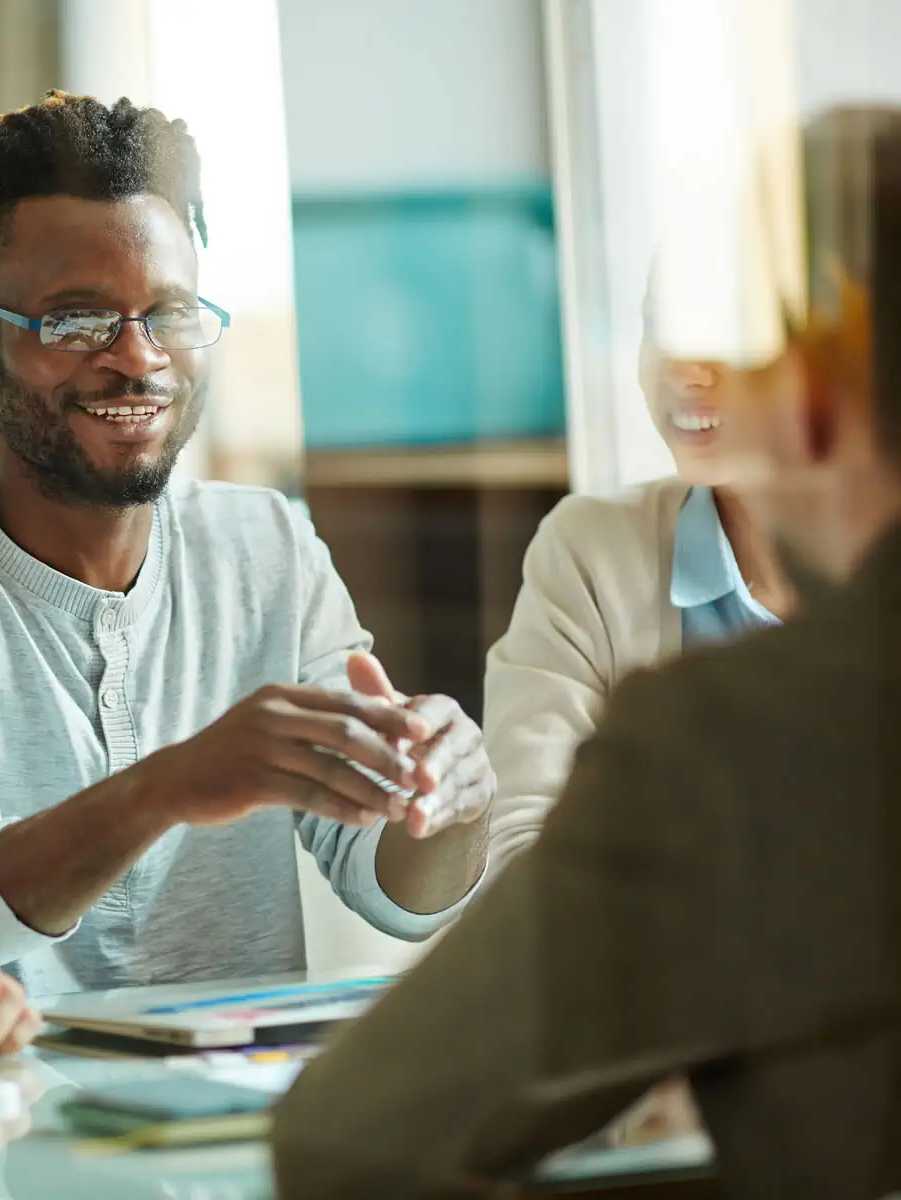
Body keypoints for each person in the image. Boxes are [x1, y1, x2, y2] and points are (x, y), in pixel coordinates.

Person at [272, 106, 901, 1197]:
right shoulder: (604, 556)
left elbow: (351, 1138)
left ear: (806, 392)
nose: (695, 375)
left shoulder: (729, 744)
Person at [0, 91, 496, 999]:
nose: (138, 357)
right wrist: (166, 788)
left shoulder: (265, 544)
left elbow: (399, 895)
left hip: (241, 1082)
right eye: (77, 321)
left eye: (170, 314)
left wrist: (450, 802)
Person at [485, 268, 799, 870]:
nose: (681, 369)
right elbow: (523, 850)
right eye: (659, 327)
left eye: (720, 330)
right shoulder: (590, 550)